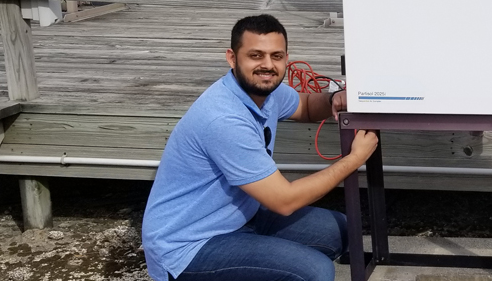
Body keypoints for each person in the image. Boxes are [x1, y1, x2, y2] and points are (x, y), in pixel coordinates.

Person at [142, 14, 378, 281]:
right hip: (189, 245)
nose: (267, 65)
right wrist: (354, 158)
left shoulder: (266, 91)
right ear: (232, 58)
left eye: (276, 56)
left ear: (286, 58)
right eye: (256, 55)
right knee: (315, 273)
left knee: (341, 229)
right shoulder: (223, 118)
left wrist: (334, 98)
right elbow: (284, 200)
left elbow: (305, 106)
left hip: (242, 216)